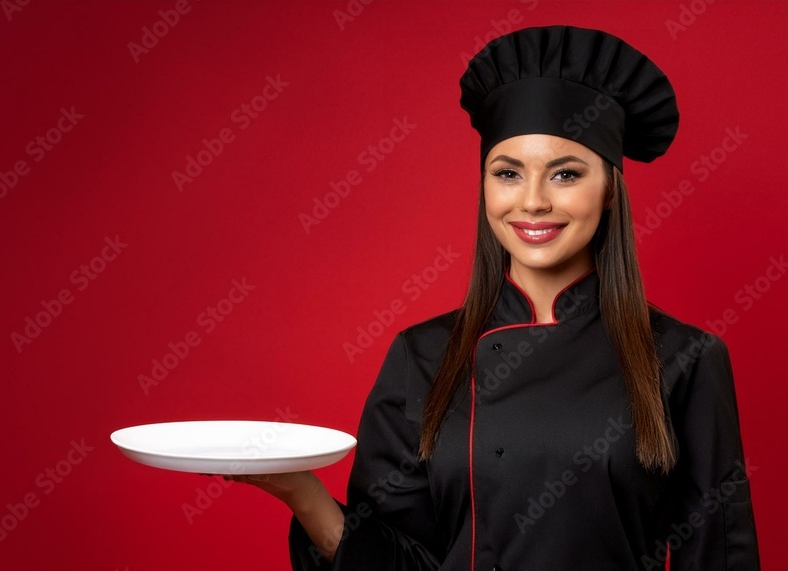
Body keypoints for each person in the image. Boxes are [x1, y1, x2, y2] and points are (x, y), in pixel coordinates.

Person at [228, 25, 761, 569]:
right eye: (508, 173)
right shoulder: (423, 356)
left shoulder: (684, 359)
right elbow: (395, 561)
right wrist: (301, 492)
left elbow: (719, 555)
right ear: (485, 187)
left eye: (565, 174)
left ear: (609, 192)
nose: (532, 201)